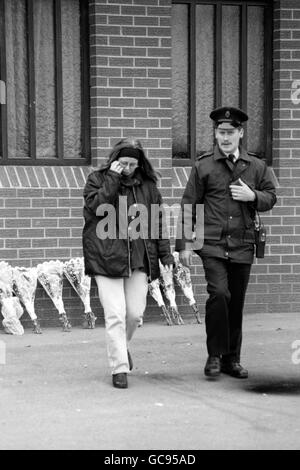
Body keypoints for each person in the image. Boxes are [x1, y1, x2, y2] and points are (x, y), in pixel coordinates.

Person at [175, 106, 277, 379]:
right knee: (219, 294)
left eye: (230, 132)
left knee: (236, 302)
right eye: (221, 132)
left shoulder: (256, 166)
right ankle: (214, 356)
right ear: (216, 134)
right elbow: (189, 205)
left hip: (243, 244)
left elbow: (271, 197)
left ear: (241, 133)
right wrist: (184, 244)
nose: (225, 137)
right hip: (212, 243)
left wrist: (252, 196)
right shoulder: (204, 165)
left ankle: (232, 359)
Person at [82, 137, 174, 389]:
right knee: (115, 315)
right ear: (114, 160)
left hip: (138, 259)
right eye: (124, 163)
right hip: (105, 257)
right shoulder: (97, 179)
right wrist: (112, 178)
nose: (129, 168)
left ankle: (122, 347)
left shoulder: (148, 186)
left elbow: (156, 223)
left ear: (140, 163)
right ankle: (119, 368)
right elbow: (96, 209)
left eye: (133, 163)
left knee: (134, 314)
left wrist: (165, 254)